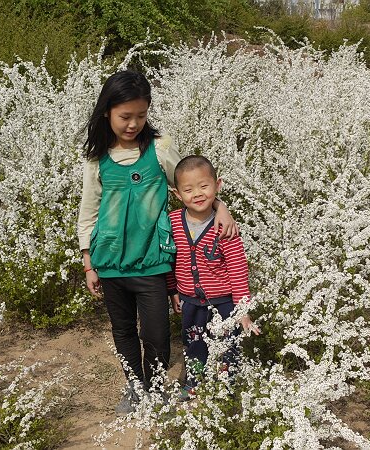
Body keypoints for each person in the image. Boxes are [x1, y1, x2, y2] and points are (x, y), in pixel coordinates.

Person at [78, 70, 238, 415]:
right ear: (107, 111)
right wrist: (88, 261)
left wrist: (222, 206)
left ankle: (154, 383)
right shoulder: (97, 158)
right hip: (110, 261)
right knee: (122, 330)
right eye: (125, 116)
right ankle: (135, 388)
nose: (133, 124)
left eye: (140, 115)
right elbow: (88, 211)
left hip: (153, 260)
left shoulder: (159, 148)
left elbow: (191, 185)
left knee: (157, 334)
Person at [167, 155, 260, 400]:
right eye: (188, 190)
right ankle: (195, 381)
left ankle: (227, 385)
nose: (197, 194)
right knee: (194, 344)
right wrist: (173, 290)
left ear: (217, 186)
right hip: (191, 300)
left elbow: (238, 269)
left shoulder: (224, 226)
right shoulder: (174, 222)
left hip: (224, 302)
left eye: (204, 186)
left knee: (229, 345)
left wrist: (243, 310)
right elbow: (170, 258)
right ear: (178, 195)